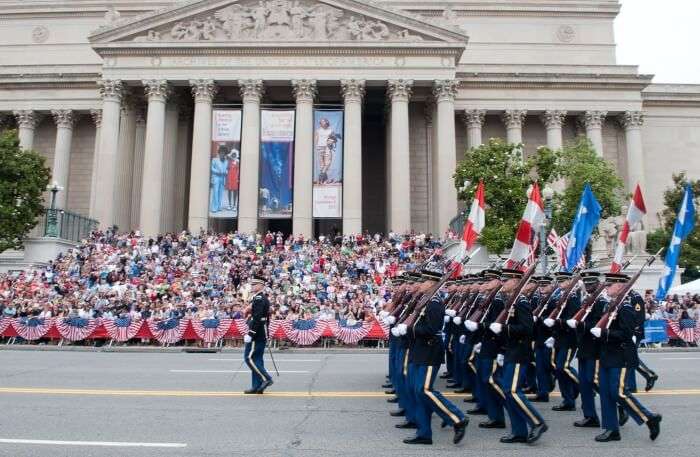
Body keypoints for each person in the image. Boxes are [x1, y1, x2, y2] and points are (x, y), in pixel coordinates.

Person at [591, 273, 662, 442]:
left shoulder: (626, 307)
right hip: (607, 355)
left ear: (620, 286)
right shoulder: (611, 305)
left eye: (609, 285)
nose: (606, 288)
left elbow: (626, 333)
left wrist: (604, 332)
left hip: (620, 356)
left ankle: (649, 418)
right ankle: (611, 429)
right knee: (606, 393)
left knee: (619, 393)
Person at [402, 269, 468, 445]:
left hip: (430, 352)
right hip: (418, 350)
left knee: (425, 390)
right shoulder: (424, 301)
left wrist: (409, 330)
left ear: (431, 283)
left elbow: (432, 330)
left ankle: (458, 418)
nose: (420, 284)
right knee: (418, 392)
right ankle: (424, 433)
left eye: (424, 281)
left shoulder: (435, 304)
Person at [491, 270, 548, 444]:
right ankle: (519, 431)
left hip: (519, 352)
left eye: (506, 280)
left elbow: (527, 329)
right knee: (508, 392)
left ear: (516, 281)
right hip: (511, 350)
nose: (503, 282)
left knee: (513, 391)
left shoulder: (521, 302)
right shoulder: (512, 300)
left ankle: (537, 422)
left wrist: (504, 329)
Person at [243, 274, 274, 394]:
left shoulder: (259, 298)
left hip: (257, 333)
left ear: (261, 286)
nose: (252, 286)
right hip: (261, 332)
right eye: (252, 284)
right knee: (257, 359)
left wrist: (250, 333)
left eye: (254, 284)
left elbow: (258, 318)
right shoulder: (258, 298)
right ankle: (257, 386)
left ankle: (266, 378)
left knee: (249, 358)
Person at [210, 145, 229, 213]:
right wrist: (217, 171)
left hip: (223, 177)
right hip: (216, 177)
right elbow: (211, 168)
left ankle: (218, 207)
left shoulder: (226, 161)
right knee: (215, 192)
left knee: (220, 193)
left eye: (224, 153)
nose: (222, 154)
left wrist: (226, 172)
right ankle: (214, 208)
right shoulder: (214, 159)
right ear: (219, 152)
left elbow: (227, 169)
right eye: (221, 152)